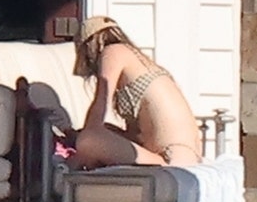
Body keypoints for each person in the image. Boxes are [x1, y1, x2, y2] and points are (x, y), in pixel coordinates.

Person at [69, 15, 201, 168]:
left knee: (88, 140)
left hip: (169, 157)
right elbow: (137, 135)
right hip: (185, 156)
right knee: (104, 132)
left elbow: (100, 105)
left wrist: (79, 135)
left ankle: (63, 173)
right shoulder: (138, 60)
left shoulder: (112, 52)